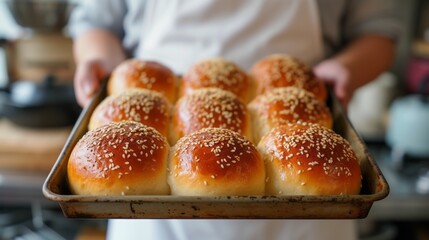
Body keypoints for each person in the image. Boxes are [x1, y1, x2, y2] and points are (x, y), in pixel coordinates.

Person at [69, 0, 401, 239]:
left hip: (310, 202)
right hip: (148, 210)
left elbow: (379, 31)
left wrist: (347, 68)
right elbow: (96, 21)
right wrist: (100, 61)